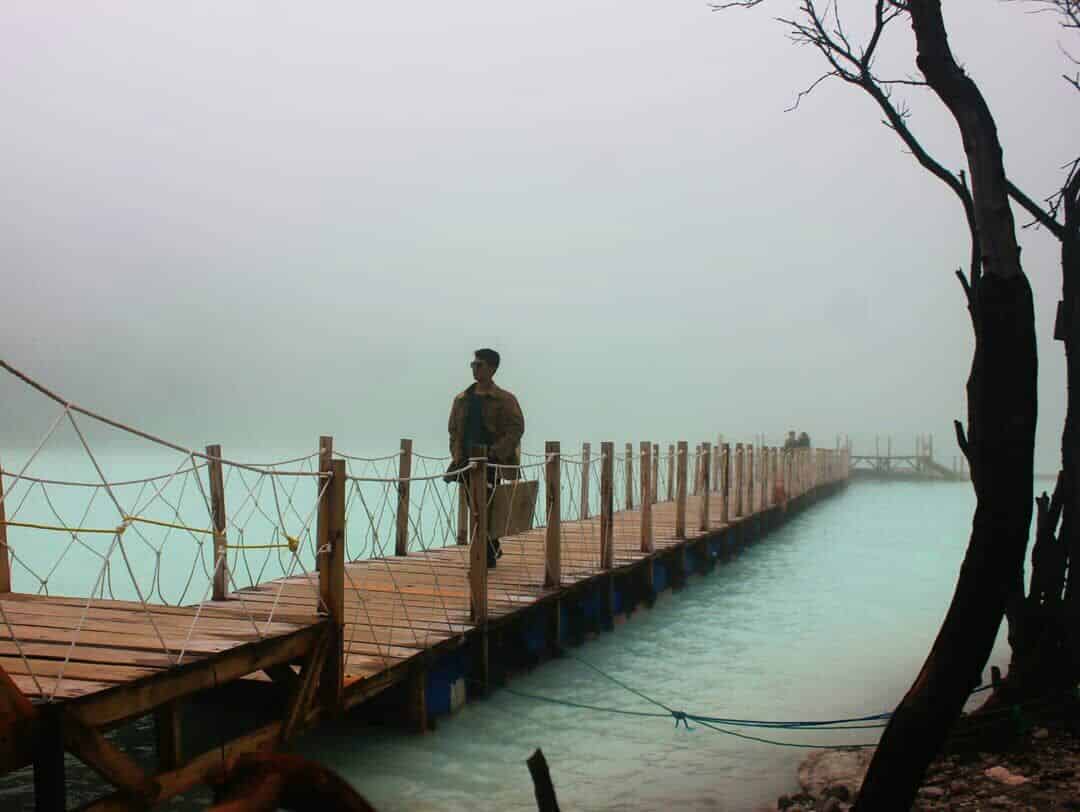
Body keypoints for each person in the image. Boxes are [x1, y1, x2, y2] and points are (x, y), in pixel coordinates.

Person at [445, 348, 525, 567]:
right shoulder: (462, 399)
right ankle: (490, 547)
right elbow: (453, 429)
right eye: (473, 364)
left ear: (492, 368)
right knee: (475, 505)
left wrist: (496, 452)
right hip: (466, 462)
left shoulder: (505, 399)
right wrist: (457, 454)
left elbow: (516, 428)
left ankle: (485, 554)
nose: (475, 368)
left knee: (488, 506)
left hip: (492, 462)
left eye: (479, 365)